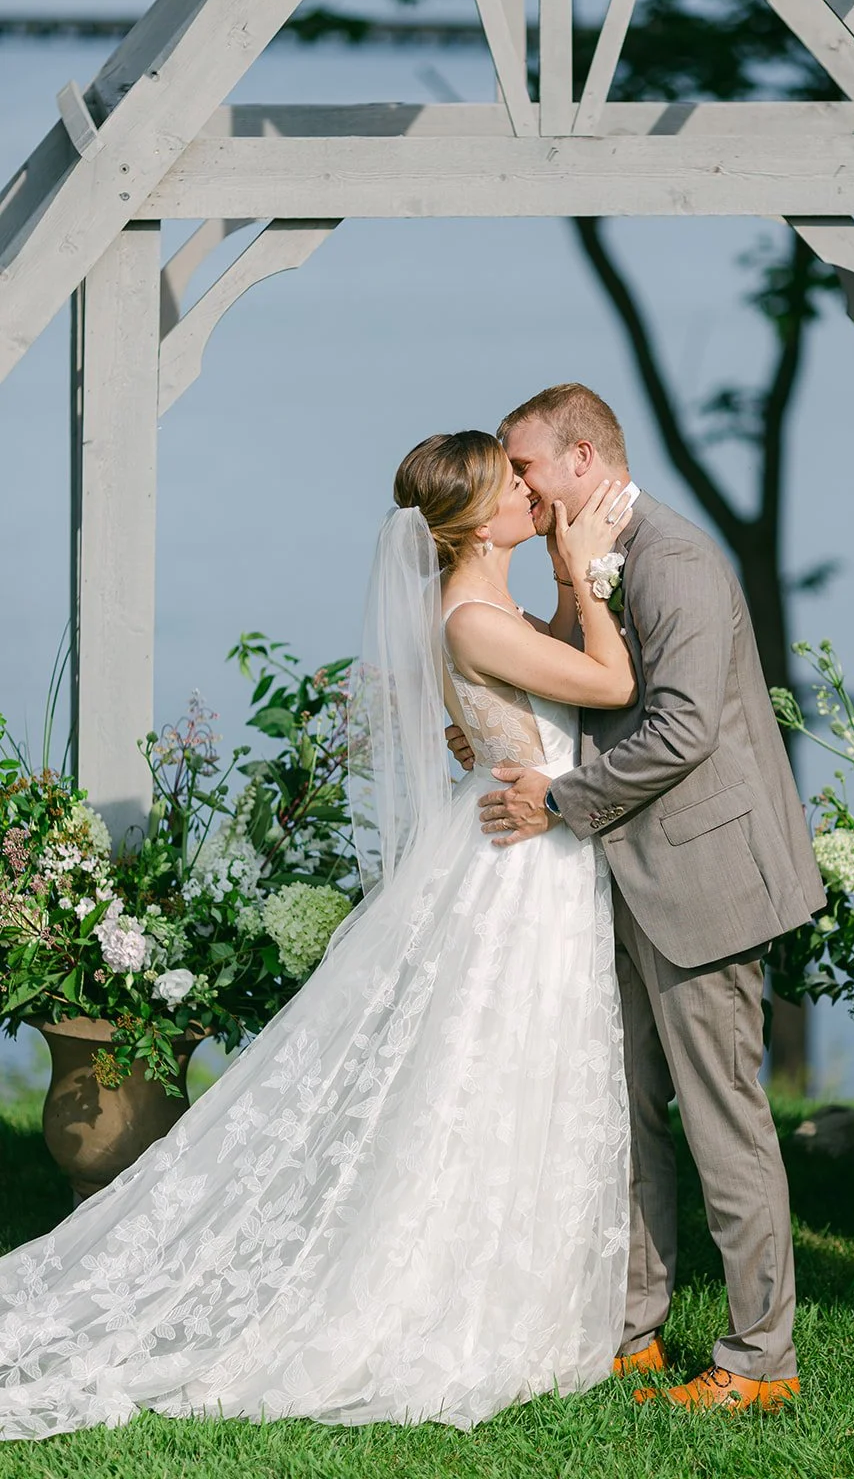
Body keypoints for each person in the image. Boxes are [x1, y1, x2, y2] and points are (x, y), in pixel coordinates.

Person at [0, 431, 637, 1441]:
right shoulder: (472, 614)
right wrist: (585, 580)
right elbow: (609, 686)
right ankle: (444, 1302)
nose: (529, 490)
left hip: (522, 848)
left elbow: (528, 699)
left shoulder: (476, 605)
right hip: (515, 872)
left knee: (507, 1072)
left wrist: (548, 612)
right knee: (488, 1072)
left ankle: (511, 1282)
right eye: (509, 481)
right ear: (472, 519)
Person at [468, 384, 826, 1413]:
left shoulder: (669, 561)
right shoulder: (582, 552)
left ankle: (760, 1361)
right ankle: (632, 1332)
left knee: (726, 1126)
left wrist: (559, 798)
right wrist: (497, 730)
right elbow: (588, 681)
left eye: (525, 466)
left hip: (700, 883)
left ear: (582, 457)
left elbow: (678, 729)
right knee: (624, 1116)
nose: (516, 486)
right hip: (624, 879)